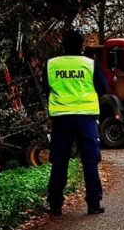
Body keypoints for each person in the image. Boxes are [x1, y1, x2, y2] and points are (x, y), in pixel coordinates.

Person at [44, 30, 107, 215]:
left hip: (61, 118)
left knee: (59, 161)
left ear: (63, 43)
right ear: (81, 45)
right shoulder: (89, 64)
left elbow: (45, 87)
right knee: (90, 161)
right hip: (85, 118)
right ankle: (93, 204)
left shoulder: (51, 64)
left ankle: (55, 204)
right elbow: (102, 88)